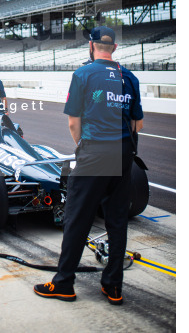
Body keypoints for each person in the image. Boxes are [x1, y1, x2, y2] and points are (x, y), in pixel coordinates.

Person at [34, 26, 143, 306]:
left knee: (76, 218)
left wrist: (84, 147)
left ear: (92, 47)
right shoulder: (129, 77)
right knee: (117, 221)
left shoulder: (83, 74)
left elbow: (73, 122)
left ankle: (64, 284)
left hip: (95, 152)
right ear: (115, 48)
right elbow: (136, 124)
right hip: (124, 154)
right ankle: (113, 286)